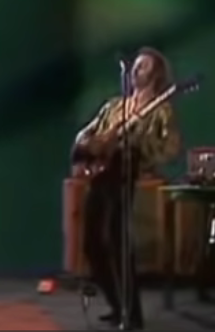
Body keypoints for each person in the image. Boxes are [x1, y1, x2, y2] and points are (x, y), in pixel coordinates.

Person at [72, 47, 182, 329]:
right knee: (91, 243)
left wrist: (140, 151)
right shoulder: (114, 107)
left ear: (156, 75)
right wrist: (89, 148)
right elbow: (87, 133)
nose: (135, 69)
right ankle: (116, 304)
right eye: (136, 65)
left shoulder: (160, 110)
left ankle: (133, 314)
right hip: (101, 175)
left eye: (143, 66)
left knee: (118, 240)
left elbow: (170, 147)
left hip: (126, 173)